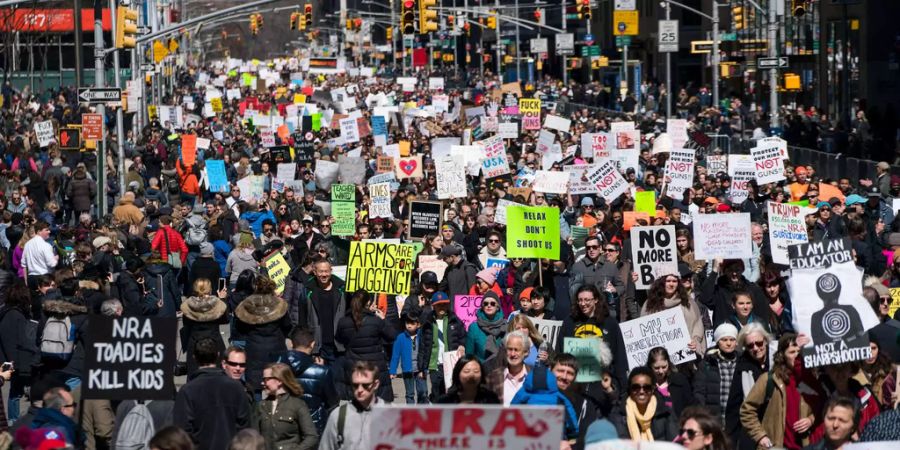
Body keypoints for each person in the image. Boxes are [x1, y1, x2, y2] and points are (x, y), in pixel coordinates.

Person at [740, 334, 817, 450]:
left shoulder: (813, 380)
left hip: (806, 445)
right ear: (782, 356)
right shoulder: (769, 379)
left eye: (799, 352)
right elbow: (747, 410)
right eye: (792, 352)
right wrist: (761, 436)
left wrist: (811, 419)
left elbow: (825, 408)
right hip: (776, 446)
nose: (796, 355)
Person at [173, 338, 251, 450]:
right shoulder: (236, 388)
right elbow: (244, 428)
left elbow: (182, 432)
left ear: (194, 357)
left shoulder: (187, 391)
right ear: (218, 355)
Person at [271, 328, 338, 434]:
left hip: (285, 425)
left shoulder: (277, 368)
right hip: (314, 426)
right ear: (312, 344)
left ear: (292, 344)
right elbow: (333, 402)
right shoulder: (322, 372)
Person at [561, 285, 629, 388]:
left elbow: (619, 355)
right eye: (580, 300)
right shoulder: (569, 322)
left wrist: (622, 386)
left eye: (587, 300)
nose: (583, 304)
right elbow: (561, 351)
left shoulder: (610, 323)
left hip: (602, 381)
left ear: (596, 300)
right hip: (575, 381)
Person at [234, 276, 293, 394]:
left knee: (255, 387)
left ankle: (257, 411)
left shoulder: (247, 304)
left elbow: (240, 328)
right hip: (277, 346)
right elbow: (287, 325)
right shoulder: (279, 304)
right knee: (278, 382)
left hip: (254, 348)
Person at [336, 290, 397, 401]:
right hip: (374, 367)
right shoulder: (376, 321)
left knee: (357, 404)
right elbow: (392, 336)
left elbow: (339, 339)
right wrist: (383, 318)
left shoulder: (343, 322)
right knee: (376, 405)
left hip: (353, 367)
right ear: (368, 302)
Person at [725, 323, 773, 450]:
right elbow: (734, 406)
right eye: (750, 345)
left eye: (759, 343)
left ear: (766, 341)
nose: (756, 348)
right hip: (754, 425)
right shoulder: (742, 366)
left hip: (777, 420)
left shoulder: (778, 358)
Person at [318, 361, 385, 450]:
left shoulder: (391, 414)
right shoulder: (338, 416)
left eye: (365, 385)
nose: (360, 389)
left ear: (376, 384)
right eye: (355, 385)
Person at [256, 362, 319, 450]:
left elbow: (312, 437)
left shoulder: (297, 404)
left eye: (266, 379)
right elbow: (254, 437)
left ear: (279, 381)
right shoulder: (261, 406)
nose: (263, 383)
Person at [642, 275, 707, 357]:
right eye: (668, 281)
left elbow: (697, 323)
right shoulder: (650, 304)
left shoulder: (688, 301)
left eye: (674, 281)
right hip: (660, 359)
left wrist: (695, 340)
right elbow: (644, 331)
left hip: (687, 356)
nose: (671, 284)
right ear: (661, 282)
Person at [609, 366, 679, 441]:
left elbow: (675, 440)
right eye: (636, 387)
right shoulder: (619, 414)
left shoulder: (665, 410)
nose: (641, 391)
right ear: (629, 390)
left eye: (647, 388)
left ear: (653, 389)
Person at [419, 291, 466, 399]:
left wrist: (462, 345)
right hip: (435, 365)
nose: (442, 307)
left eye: (444, 304)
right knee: (436, 393)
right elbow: (423, 345)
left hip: (451, 363)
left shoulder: (455, 320)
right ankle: (437, 414)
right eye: (439, 304)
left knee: (452, 392)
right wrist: (422, 368)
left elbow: (463, 336)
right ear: (433, 306)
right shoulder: (427, 323)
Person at [693, 323, 740, 424]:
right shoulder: (707, 363)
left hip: (736, 420)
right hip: (713, 420)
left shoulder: (741, 362)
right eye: (724, 340)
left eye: (732, 340)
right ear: (718, 341)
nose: (728, 343)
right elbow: (699, 393)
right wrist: (703, 417)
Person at [181, 278, 229, 375]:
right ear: (210, 289)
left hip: (195, 342)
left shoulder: (189, 305)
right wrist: (222, 299)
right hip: (214, 341)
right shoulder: (217, 303)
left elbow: (186, 323)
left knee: (194, 375)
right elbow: (225, 319)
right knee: (217, 376)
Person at [389, 312, 428, 404]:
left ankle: (421, 412)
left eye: (412, 323)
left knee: (423, 392)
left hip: (420, 369)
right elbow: (395, 355)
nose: (409, 325)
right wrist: (392, 371)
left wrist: (425, 368)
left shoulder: (422, 336)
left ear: (418, 325)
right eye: (407, 323)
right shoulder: (400, 338)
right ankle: (410, 413)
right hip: (407, 370)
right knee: (410, 393)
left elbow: (426, 352)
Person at [647, 347, 695, 418]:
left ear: (668, 363)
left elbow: (690, 406)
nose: (661, 371)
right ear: (650, 366)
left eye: (664, 367)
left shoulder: (680, 380)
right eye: (656, 368)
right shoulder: (645, 386)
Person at [436, 356, 502, 404]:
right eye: (466, 371)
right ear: (457, 374)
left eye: (476, 371)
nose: (471, 375)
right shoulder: (445, 402)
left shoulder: (490, 400)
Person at [465, 291, 507, 363]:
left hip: (501, 369)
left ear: (498, 307)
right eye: (485, 303)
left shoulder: (505, 326)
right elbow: (469, 355)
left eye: (493, 303)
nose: (489, 305)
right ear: (482, 306)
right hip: (481, 369)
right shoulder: (474, 327)